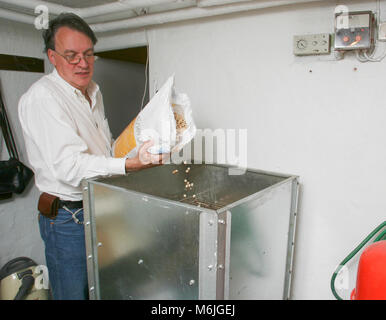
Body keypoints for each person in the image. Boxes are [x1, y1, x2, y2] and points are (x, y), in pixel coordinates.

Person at [18, 12, 168, 300]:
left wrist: (140, 150)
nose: (83, 63)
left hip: (100, 206)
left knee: (107, 286)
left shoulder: (92, 92)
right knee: (73, 294)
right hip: (66, 218)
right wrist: (128, 165)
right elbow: (69, 167)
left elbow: (104, 149)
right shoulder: (43, 99)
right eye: (72, 55)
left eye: (88, 54)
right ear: (53, 56)